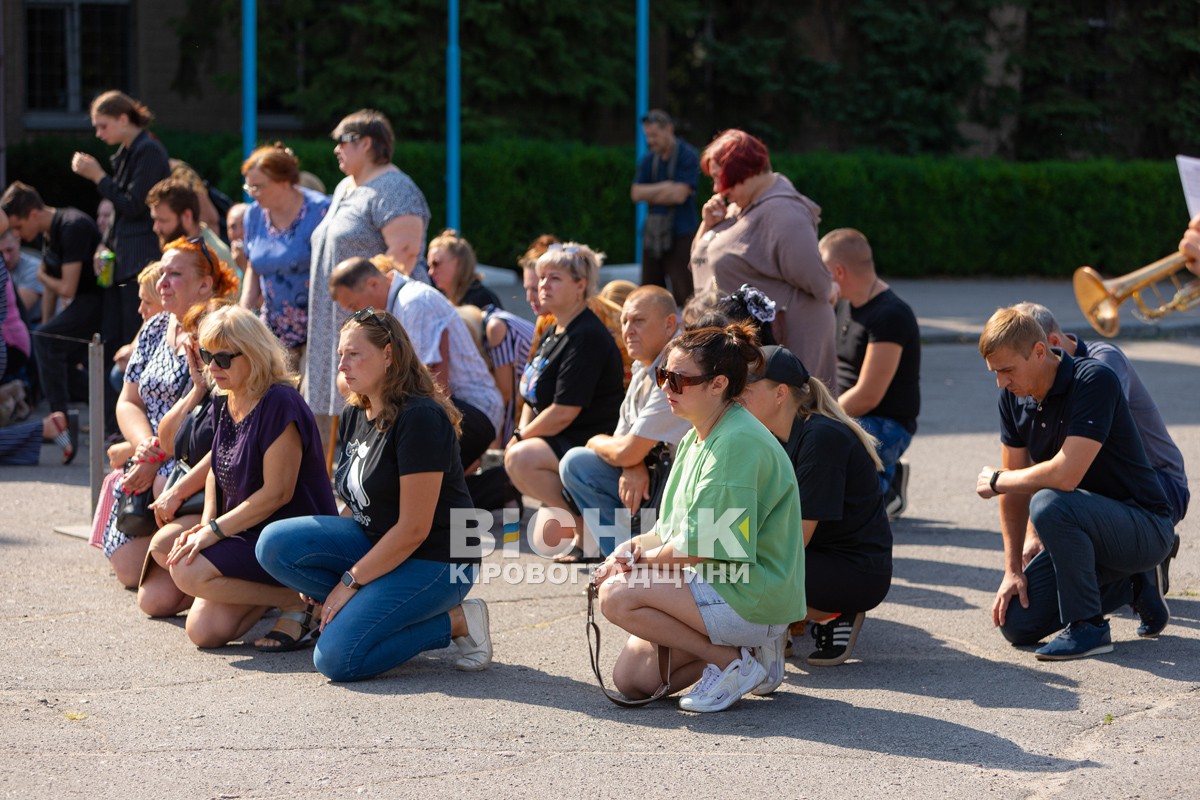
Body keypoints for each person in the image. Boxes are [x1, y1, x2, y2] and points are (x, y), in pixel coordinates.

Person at [256, 309, 490, 680]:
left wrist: (350, 581)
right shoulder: (356, 410)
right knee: (274, 543)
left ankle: (457, 621)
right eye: (341, 356)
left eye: (354, 354)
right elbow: (358, 504)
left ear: (388, 355)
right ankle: (376, 610)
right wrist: (335, 577)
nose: (343, 364)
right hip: (381, 545)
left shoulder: (421, 418)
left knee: (335, 659)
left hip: (440, 560)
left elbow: (414, 529)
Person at [592, 323, 804, 712]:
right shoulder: (696, 435)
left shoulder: (736, 442)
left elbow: (703, 545)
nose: (665, 388)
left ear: (718, 384)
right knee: (633, 679)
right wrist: (626, 549)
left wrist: (631, 566)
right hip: (718, 583)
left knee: (617, 594)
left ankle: (732, 662)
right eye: (662, 375)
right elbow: (666, 531)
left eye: (678, 379)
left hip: (750, 592)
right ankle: (749, 654)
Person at [976, 307, 1175, 660]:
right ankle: (1134, 583)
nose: (1001, 382)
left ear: (1040, 352)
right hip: (1086, 530)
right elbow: (1013, 491)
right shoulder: (1012, 396)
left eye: (1007, 370)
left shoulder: (1094, 379)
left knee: (1049, 503)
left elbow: (1065, 475)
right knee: (1018, 623)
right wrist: (1012, 570)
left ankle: (1089, 628)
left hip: (1144, 525)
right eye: (995, 373)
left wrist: (1000, 480)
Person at [163, 305, 337, 650]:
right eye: (206, 355)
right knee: (203, 632)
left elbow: (278, 494)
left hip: (285, 537)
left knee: (186, 570)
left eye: (224, 358)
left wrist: (214, 532)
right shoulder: (225, 396)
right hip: (245, 530)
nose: (212, 367)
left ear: (254, 354)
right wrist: (207, 521)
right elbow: (217, 466)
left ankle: (297, 601)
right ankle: (291, 597)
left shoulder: (279, 401)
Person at [738, 345, 892, 666]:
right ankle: (786, 620)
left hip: (854, 571)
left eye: (746, 390)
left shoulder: (821, 439)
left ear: (780, 393)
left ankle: (830, 611)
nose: (736, 398)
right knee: (724, 567)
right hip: (818, 558)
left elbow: (794, 540)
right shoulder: (772, 435)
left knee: (735, 574)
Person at [99, 237, 239, 588]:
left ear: (205, 284)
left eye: (174, 274)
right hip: (151, 450)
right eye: (161, 274)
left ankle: (222, 576)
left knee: (154, 593)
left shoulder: (220, 331)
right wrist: (144, 445)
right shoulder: (156, 327)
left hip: (197, 459)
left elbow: (228, 422)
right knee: (131, 575)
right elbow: (128, 400)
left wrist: (153, 454)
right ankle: (188, 571)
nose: (161, 283)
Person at [306, 109, 432, 436]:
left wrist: (375, 322)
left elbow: (404, 255)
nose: (336, 149)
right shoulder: (346, 187)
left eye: (343, 141)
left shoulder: (393, 187)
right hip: (339, 323)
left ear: (366, 143)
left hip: (374, 327)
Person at [689, 129, 837, 390]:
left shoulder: (784, 213)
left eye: (720, 179)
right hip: (753, 344)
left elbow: (818, 283)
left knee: (795, 419)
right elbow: (702, 259)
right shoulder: (741, 206)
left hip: (789, 341)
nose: (716, 189)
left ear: (744, 171)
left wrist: (832, 287)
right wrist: (707, 225)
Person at [329, 256, 504, 471]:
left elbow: (426, 381)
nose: (357, 315)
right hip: (453, 406)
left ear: (373, 284)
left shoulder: (413, 303)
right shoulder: (401, 302)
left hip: (471, 410)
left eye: (355, 306)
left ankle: (496, 490)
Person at [558, 285, 691, 559]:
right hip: (657, 479)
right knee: (578, 464)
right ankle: (625, 559)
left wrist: (607, 445)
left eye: (638, 321)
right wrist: (632, 463)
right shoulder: (645, 365)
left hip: (689, 490)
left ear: (669, 324)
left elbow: (625, 450)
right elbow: (623, 446)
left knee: (575, 458)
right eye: (624, 321)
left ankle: (634, 564)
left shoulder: (677, 367)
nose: (627, 330)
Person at [504, 244, 625, 540]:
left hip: (588, 442)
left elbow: (563, 412)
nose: (543, 285)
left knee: (520, 460)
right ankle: (583, 526)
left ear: (580, 285)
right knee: (546, 536)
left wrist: (521, 438)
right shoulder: (554, 330)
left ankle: (593, 536)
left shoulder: (586, 335)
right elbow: (531, 394)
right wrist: (522, 432)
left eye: (554, 278)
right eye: (542, 277)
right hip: (559, 439)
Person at [70, 90, 171, 437]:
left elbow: (132, 205)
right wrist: (103, 245)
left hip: (139, 262)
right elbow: (118, 214)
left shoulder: (149, 151)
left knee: (133, 342)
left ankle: (134, 425)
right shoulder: (129, 152)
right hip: (123, 260)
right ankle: (115, 424)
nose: (99, 133)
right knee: (113, 342)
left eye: (103, 125)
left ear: (124, 119)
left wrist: (98, 176)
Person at [822, 228, 921, 518]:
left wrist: (818, 415)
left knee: (848, 515)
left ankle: (885, 482)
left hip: (886, 422)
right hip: (850, 412)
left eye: (822, 270)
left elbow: (868, 395)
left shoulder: (891, 314)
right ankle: (887, 474)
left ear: (838, 272)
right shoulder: (844, 304)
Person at [0, 182, 103, 424]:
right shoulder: (47, 234)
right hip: (82, 302)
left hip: (97, 302)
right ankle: (73, 415)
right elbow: (50, 289)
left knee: (46, 340)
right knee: (47, 346)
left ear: (33, 214)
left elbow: (66, 287)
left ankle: (61, 420)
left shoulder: (71, 225)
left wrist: (41, 276)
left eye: (18, 226)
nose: (15, 233)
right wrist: (48, 328)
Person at [239, 143, 330, 373]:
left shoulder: (320, 210)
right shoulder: (254, 215)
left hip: (319, 329)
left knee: (313, 406)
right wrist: (243, 309)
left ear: (285, 181)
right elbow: (254, 264)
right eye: (249, 187)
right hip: (273, 329)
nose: (252, 194)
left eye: (258, 187)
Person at [631, 110, 699, 306]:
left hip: (681, 233)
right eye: (647, 136)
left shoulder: (687, 155)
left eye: (654, 135)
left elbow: (679, 195)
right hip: (653, 234)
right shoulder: (648, 160)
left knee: (685, 293)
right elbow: (635, 193)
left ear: (669, 129)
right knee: (649, 292)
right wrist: (668, 186)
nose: (650, 141)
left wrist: (651, 193)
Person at [146, 179, 233, 268]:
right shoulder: (180, 248)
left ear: (187, 216)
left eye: (163, 220)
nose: (156, 228)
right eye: (155, 220)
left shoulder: (215, 257)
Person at [110, 262, 165, 390]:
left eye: (147, 302)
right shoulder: (153, 323)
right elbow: (144, 328)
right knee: (117, 373)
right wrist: (131, 350)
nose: (140, 309)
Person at [427, 228, 504, 310]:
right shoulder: (440, 298)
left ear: (458, 263)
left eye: (436, 264)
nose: (430, 272)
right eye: (429, 266)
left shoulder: (482, 300)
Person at [1, 227, 43, 326]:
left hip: (33, 326)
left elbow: (16, 310)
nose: (6, 258)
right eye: (0, 253)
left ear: (18, 242)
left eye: (9, 250)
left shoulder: (34, 267)